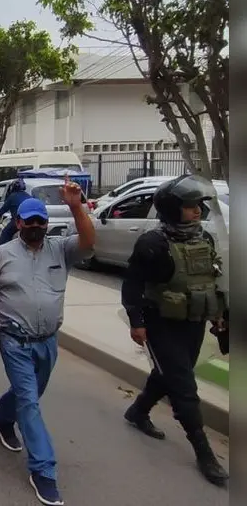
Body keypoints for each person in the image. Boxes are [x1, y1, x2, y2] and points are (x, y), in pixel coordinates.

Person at [0, 176, 94, 506]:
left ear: (46, 223)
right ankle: (44, 469)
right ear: (18, 222)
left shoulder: (60, 249)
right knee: (29, 400)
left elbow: (89, 240)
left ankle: (1, 417)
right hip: (15, 341)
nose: (35, 226)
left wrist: (76, 206)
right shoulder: (3, 254)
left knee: (31, 394)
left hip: (48, 342)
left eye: (40, 221)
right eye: (29, 221)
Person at [120, 175, 228, 486]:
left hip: (192, 322)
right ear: (171, 209)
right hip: (160, 323)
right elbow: (132, 284)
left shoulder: (203, 239)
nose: (197, 211)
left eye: (198, 205)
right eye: (190, 206)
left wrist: (219, 314)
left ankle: (138, 411)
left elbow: (211, 280)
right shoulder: (153, 243)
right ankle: (202, 449)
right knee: (183, 385)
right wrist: (136, 321)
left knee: (169, 374)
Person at [0, 179, 32, 246]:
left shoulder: (12, 196)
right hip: (31, 220)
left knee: (5, 233)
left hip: (19, 220)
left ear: (13, 187)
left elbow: (4, 208)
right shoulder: (28, 196)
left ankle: (0, 250)